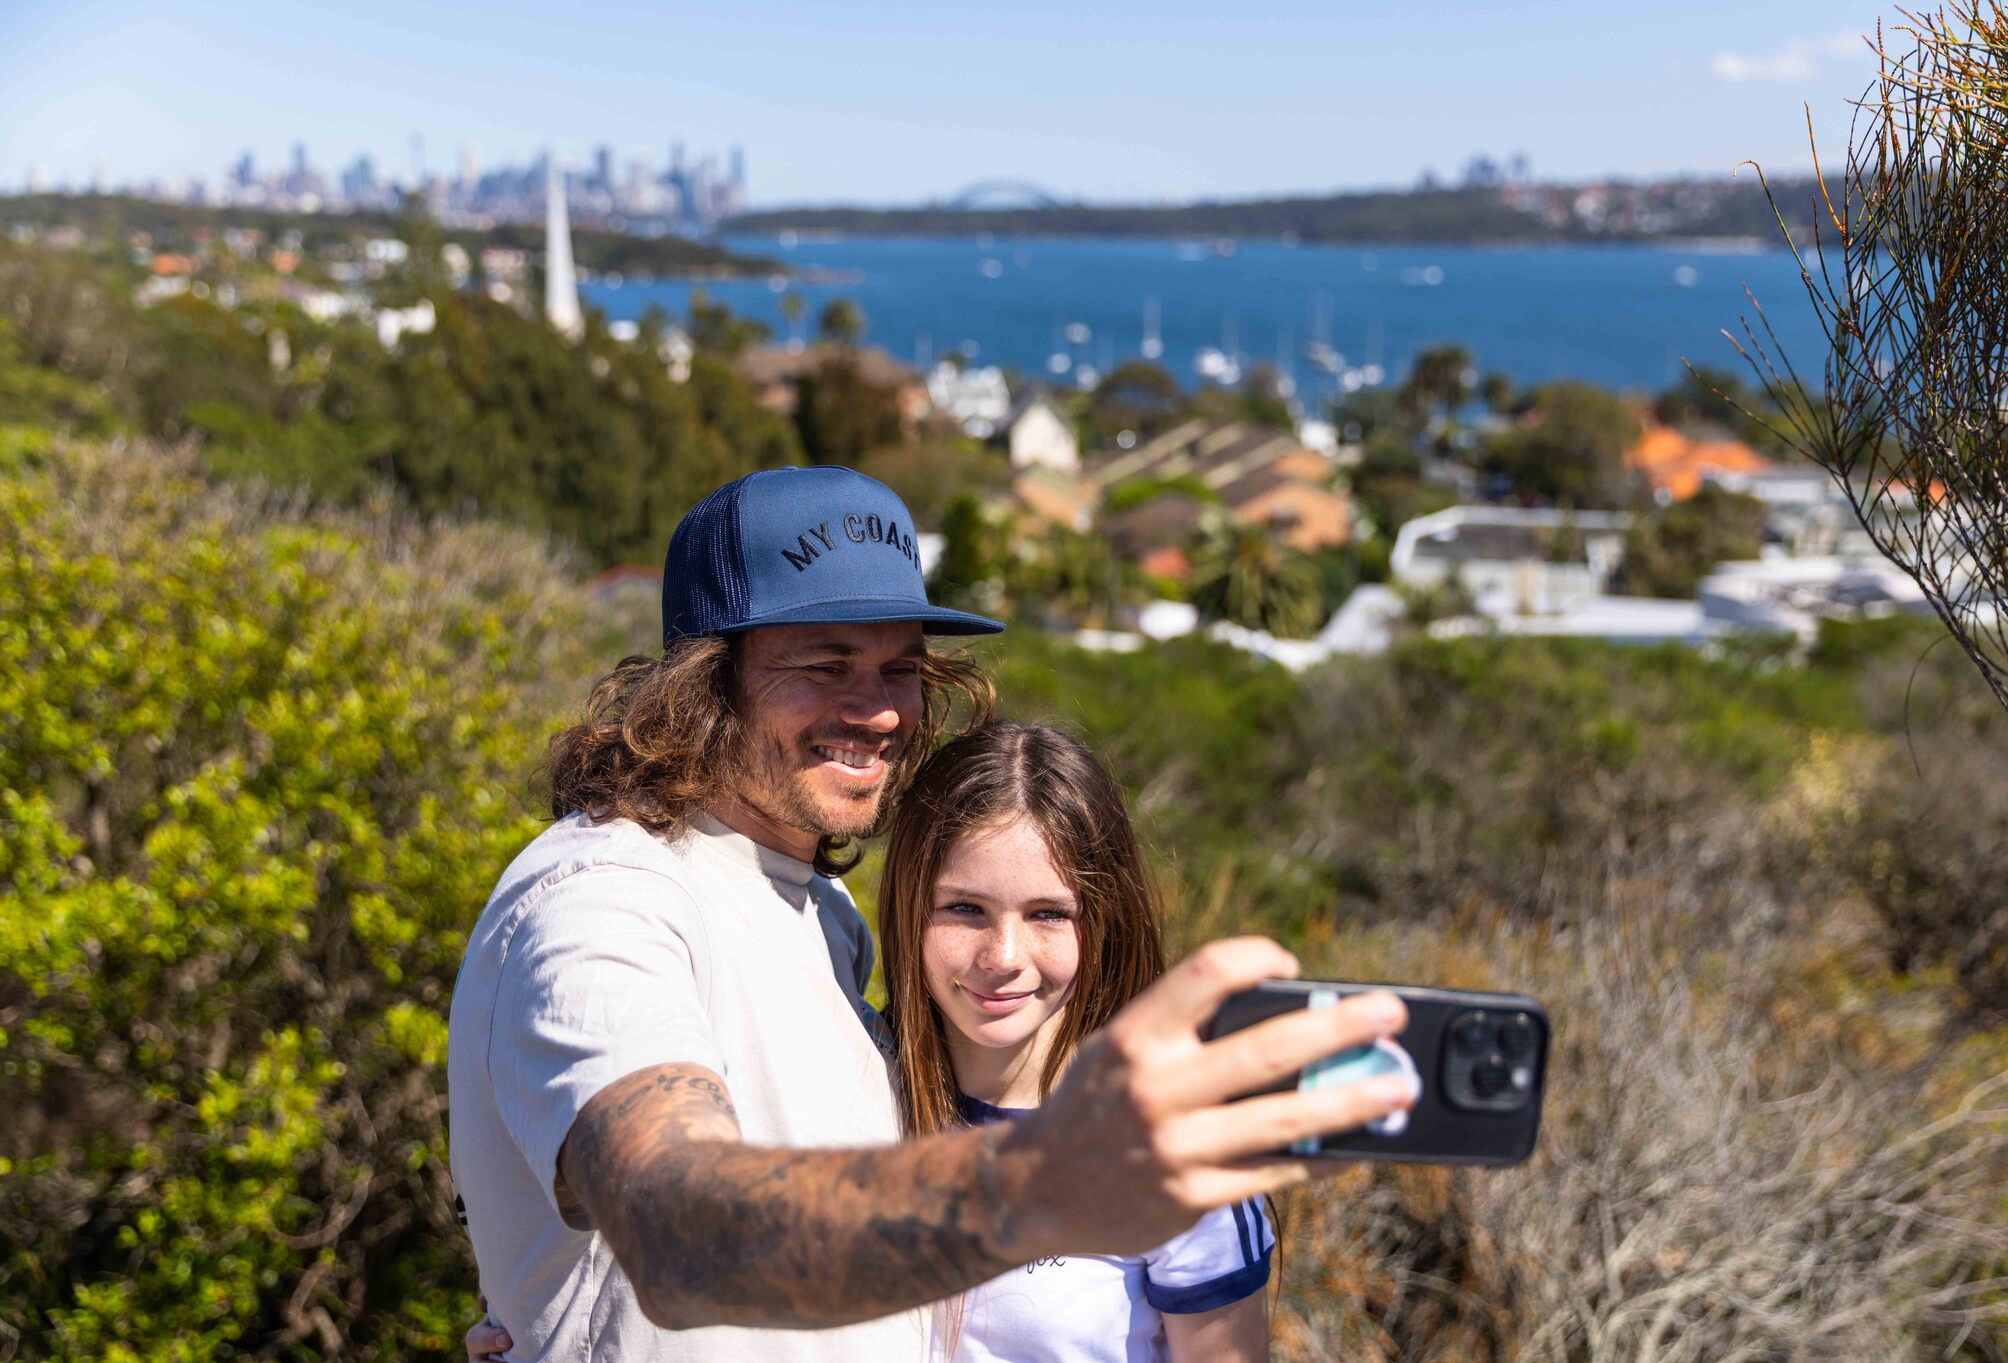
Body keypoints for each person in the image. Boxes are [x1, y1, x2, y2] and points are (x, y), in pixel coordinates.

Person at [447, 465, 1415, 1363]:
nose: (878, 710)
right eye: (826, 663)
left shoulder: (819, 911)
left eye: (900, 666)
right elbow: (675, 1230)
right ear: (703, 679)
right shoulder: (606, 898)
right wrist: (1042, 1182)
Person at [470, 721, 1274, 1362]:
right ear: (910, 905)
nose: (1003, 956)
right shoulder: (864, 1086)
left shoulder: (1169, 1145)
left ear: (1104, 920)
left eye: (1048, 914)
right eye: (964, 909)